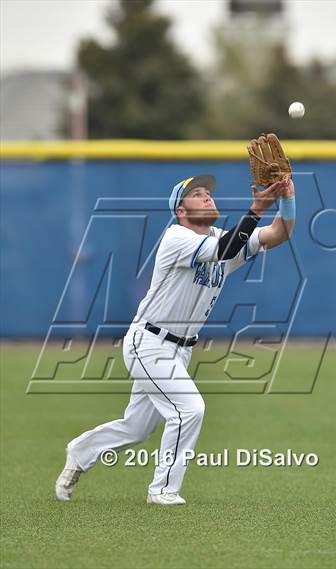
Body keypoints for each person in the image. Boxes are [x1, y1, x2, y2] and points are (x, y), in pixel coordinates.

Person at [55, 174, 296, 505]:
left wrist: (287, 197)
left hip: (180, 349)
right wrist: (256, 209)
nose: (207, 197)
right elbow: (227, 248)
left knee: (137, 428)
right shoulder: (176, 237)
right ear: (181, 211)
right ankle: (163, 490)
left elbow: (279, 233)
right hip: (149, 342)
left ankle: (81, 451)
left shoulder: (222, 239)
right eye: (197, 194)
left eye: (208, 192)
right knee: (190, 409)